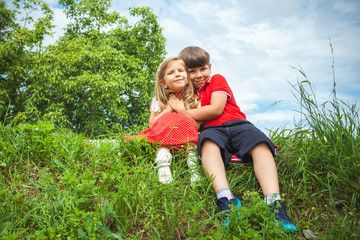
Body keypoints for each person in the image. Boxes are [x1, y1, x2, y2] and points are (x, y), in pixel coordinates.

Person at [169, 46, 297, 232]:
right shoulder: (187, 95)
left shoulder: (217, 80)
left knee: (260, 144)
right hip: (211, 129)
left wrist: (183, 111)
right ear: (186, 74)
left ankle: (274, 205)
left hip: (238, 124)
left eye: (202, 69)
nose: (198, 75)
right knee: (208, 146)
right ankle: (226, 199)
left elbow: (216, 109)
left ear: (210, 67)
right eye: (192, 71)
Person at [134, 56, 201, 184]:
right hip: (164, 142)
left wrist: (181, 110)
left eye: (181, 71)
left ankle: (195, 171)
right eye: (171, 73)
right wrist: (169, 109)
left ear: (187, 77)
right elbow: (153, 124)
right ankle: (163, 169)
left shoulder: (193, 100)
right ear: (163, 83)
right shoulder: (159, 102)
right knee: (168, 120)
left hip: (186, 143)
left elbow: (195, 126)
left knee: (184, 121)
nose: (177, 75)